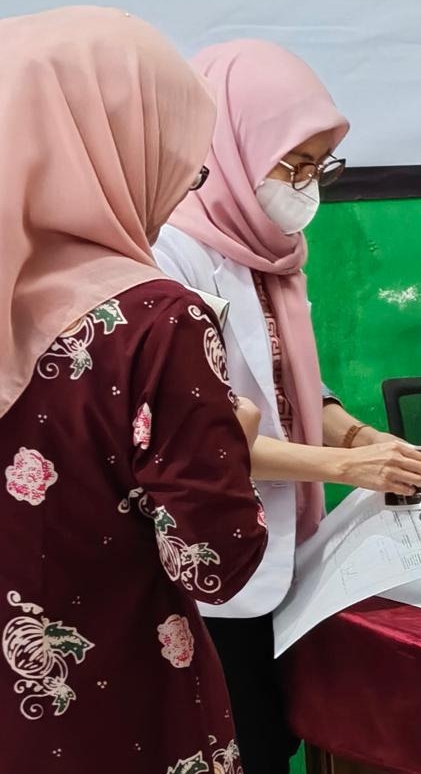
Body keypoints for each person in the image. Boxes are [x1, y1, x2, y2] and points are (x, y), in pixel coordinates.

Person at [0, 7, 269, 772]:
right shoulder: (152, 319)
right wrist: (232, 437)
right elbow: (215, 564)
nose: (184, 181)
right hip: (117, 717)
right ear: (111, 147)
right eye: (182, 158)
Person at [150, 40, 421, 773]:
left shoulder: (272, 251)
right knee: (236, 742)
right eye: (292, 165)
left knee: (280, 733)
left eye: (317, 168)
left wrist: (359, 432)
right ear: (230, 147)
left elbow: (295, 387)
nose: (305, 187)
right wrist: (346, 464)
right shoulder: (170, 253)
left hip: (283, 549)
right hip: (209, 552)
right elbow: (198, 430)